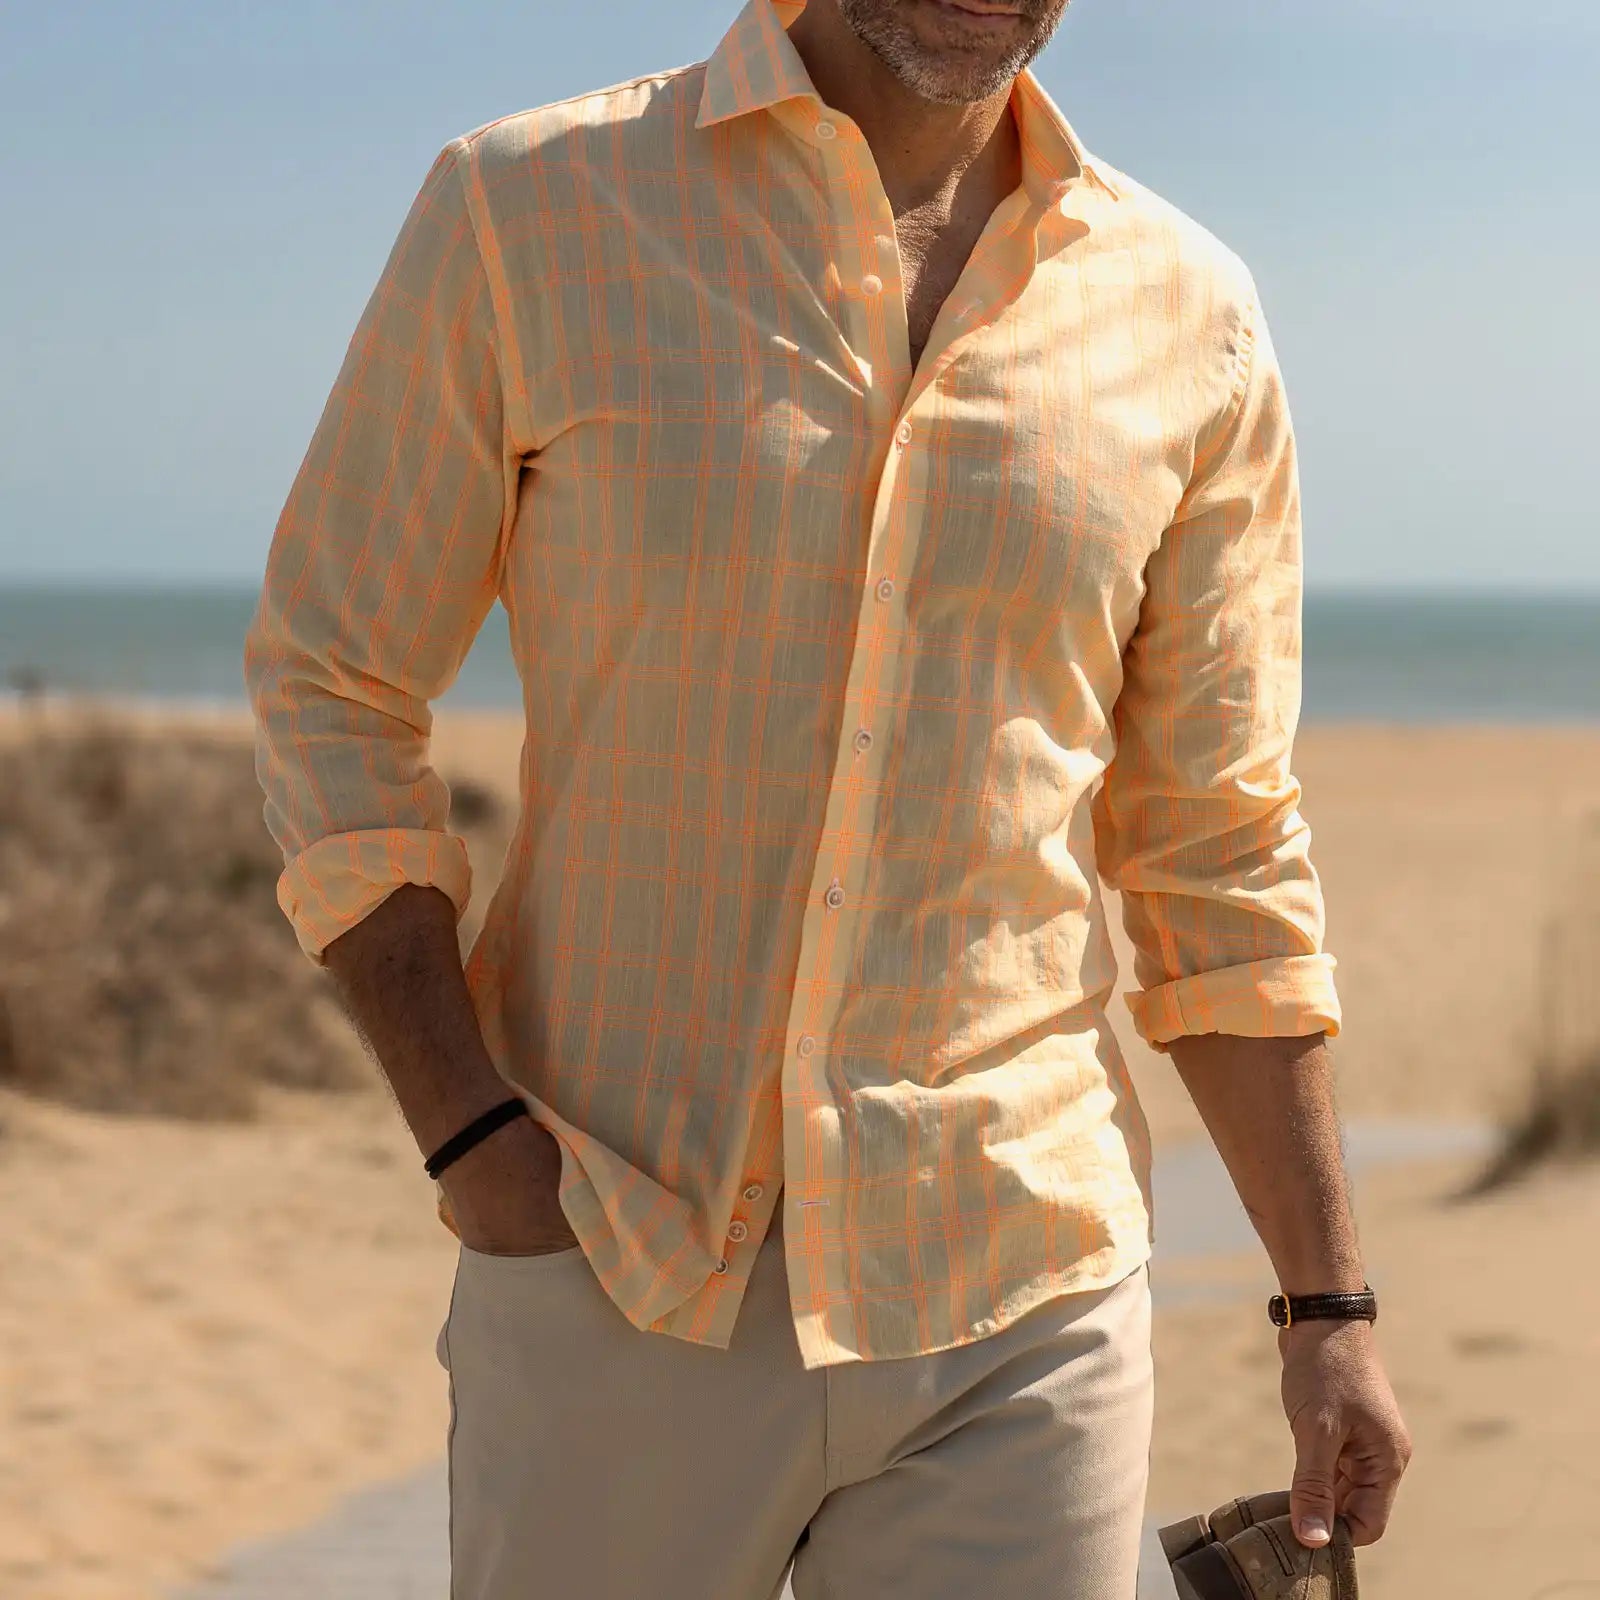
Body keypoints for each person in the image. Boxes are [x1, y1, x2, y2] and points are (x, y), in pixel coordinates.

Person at [243, 1, 1411, 1595]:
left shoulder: (1189, 310)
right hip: (617, 1250)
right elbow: (332, 674)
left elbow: (1218, 841)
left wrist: (1328, 1311)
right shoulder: (529, 207)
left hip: (1024, 1284)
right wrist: (472, 1135)